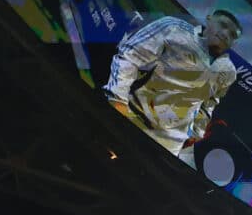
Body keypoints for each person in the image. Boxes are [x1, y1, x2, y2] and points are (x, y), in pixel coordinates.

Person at [104, 8, 243, 155]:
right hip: (134, 119)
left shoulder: (228, 71)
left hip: (170, 145)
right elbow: (130, 58)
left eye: (232, 35)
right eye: (223, 25)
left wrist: (196, 133)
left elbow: (209, 104)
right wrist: (118, 100)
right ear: (208, 19)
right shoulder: (174, 28)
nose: (226, 34)